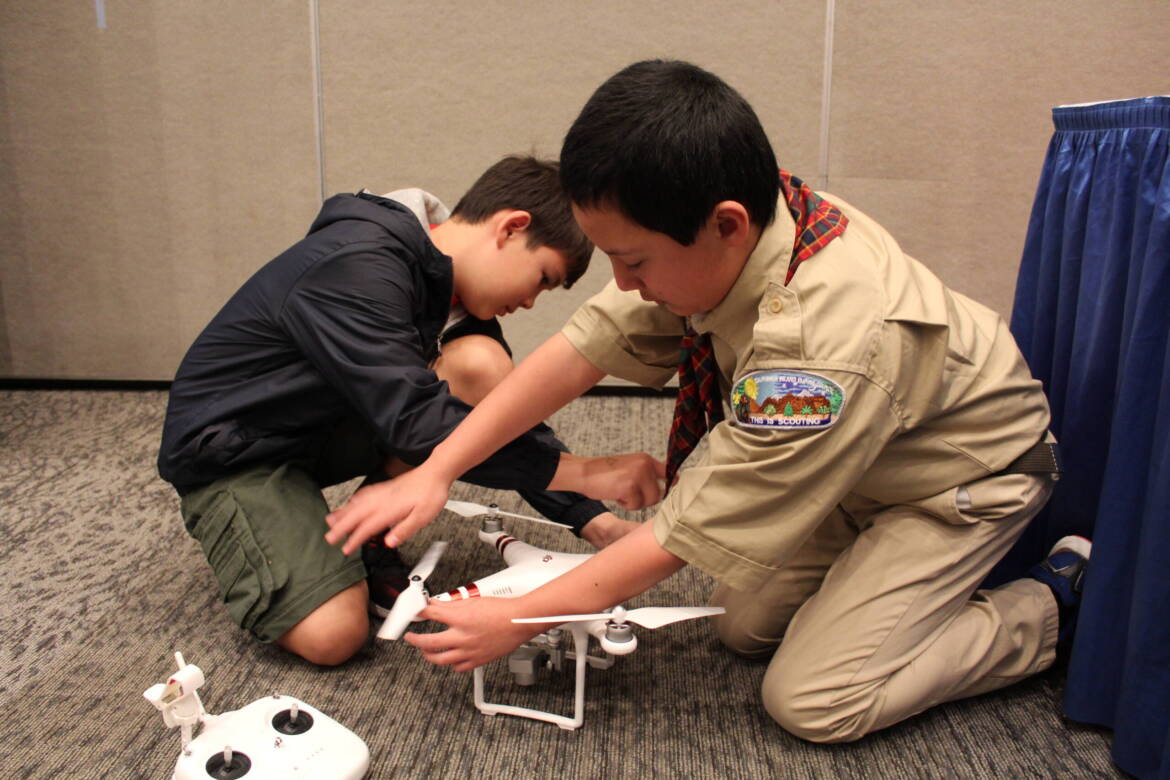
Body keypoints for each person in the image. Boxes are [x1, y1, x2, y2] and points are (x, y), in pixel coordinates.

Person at [323, 61, 1090, 742]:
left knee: (812, 701)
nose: (622, 284)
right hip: (855, 473)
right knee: (742, 628)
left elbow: (690, 529)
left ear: (724, 225)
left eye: (632, 261)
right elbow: (579, 353)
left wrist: (522, 615)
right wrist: (438, 469)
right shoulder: (748, 224)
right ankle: (888, 586)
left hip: (956, 484)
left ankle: (1051, 602)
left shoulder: (817, 352)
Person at [157, 155, 660, 666]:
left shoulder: (450, 295)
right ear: (511, 228)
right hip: (236, 452)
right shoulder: (358, 263)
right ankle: (277, 529)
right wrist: (587, 473)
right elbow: (419, 424)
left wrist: (592, 519)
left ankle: (372, 536)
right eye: (542, 278)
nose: (531, 302)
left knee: (481, 368)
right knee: (333, 636)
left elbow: (499, 421)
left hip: (325, 425)